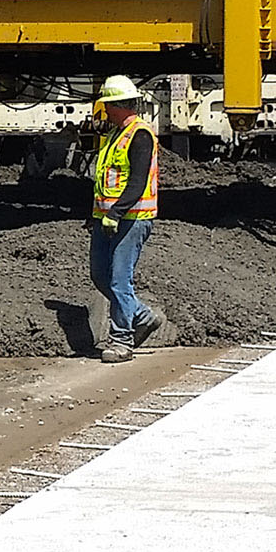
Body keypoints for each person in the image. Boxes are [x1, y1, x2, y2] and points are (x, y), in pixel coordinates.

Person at [91, 75, 165, 363]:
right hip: (106, 218)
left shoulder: (140, 135)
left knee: (120, 280)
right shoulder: (114, 135)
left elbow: (136, 182)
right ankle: (143, 316)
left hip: (132, 219)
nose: (105, 111)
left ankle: (122, 340)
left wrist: (116, 213)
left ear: (118, 105)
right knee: (100, 276)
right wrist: (100, 215)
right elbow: (106, 179)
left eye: (108, 105)